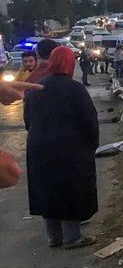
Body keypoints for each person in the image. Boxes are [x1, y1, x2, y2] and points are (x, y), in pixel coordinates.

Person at [24, 46, 99, 249]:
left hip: (38, 147)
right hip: (70, 148)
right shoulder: (75, 89)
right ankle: (72, 237)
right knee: (70, 188)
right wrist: (91, 145)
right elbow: (89, 121)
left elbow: (28, 119)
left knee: (47, 189)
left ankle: (53, 237)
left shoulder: (37, 87)